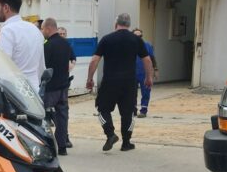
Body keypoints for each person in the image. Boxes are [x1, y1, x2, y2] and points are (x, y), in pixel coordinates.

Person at [86, 13, 153, 152]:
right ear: (129, 24)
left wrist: (90, 79)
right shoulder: (136, 40)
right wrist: (149, 77)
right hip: (129, 82)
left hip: (109, 81)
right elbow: (147, 60)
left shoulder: (107, 39)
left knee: (103, 109)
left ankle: (110, 134)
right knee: (128, 113)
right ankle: (126, 143)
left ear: (116, 24)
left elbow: (94, 60)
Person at [0, 0, 46, 91]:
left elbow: (2, 68)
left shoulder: (7, 31)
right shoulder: (35, 30)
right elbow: (41, 68)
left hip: (15, 93)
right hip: (35, 92)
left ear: (6, 8)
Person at [41, 18, 74, 155]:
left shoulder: (47, 45)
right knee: (62, 117)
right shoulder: (66, 44)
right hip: (63, 87)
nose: (42, 32)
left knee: (42, 116)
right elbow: (70, 61)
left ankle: (45, 147)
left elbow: (43, 66)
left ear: (48, 28)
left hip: (50, 88)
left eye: (43, 29)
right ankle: (62, 147)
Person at [133, 28, 157, 118]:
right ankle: (133, 109)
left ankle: (143, 110)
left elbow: (152, 58)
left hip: (145, 72)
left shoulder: (147, 45)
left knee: (146, 91)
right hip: (132, 73)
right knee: (131, 92)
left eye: (140, 36)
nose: (138, 38)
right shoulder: (128, 46)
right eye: (135, 36)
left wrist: (155, 69)